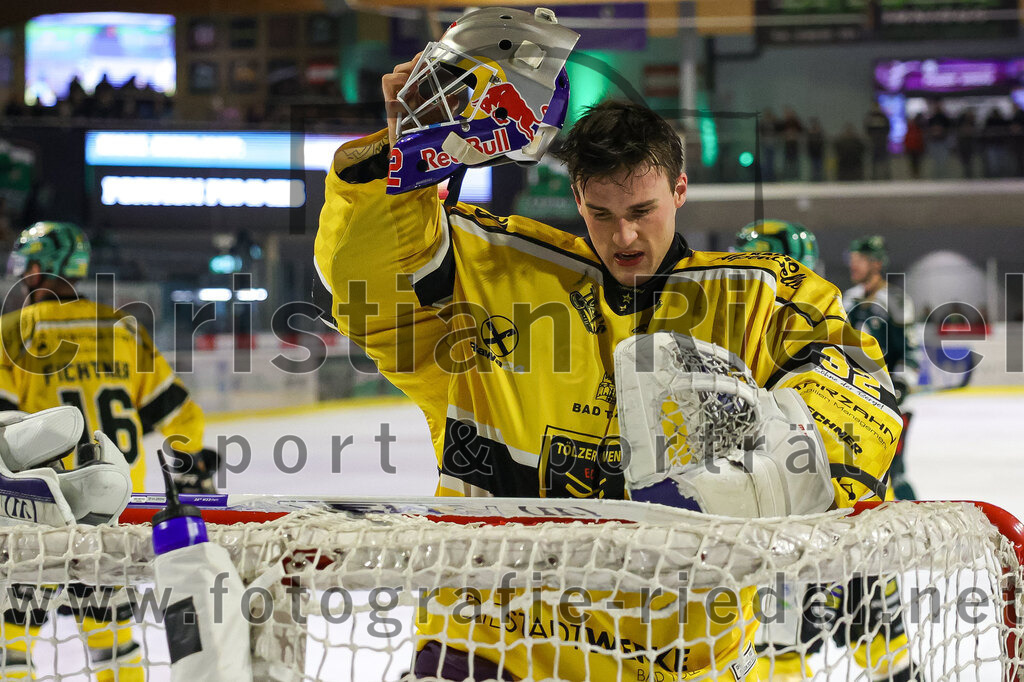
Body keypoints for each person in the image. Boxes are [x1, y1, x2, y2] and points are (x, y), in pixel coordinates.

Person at [314, 8, 902, 679]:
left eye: (642, 211)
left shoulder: (756, 298)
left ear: (679, 191)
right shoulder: (497, 270)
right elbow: (368, 290)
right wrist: (405, 151)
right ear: (575, 197)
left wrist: (779, 477)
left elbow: (853, 382)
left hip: (671, 662)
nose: (624, 237)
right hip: (484, 647)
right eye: (602, 214)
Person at [0, 221, 218, 681]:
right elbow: (182, 418)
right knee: (114, 646)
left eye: (27, 264)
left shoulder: (13, 334)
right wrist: (193, 465)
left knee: (10, 647)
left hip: (36, 518)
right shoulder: (121, 331)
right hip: (111, 516)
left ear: (43, 270)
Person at [736, 224, 922, 682]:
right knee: (871, 646)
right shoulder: (839, 318)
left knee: (789, 655)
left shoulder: (739, 331)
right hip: (834, 527)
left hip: (800, 529)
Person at [844, 235, 920, 500]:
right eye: (851, 259)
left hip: (886, 400)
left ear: (876, 264)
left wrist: (899, 385)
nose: (852, 265)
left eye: (860, 260)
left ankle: (912, 523)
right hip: (850, 397)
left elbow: (910, 350)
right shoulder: (848, 300)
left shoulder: (895, 301)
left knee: (893, 471)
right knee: (850, 471)